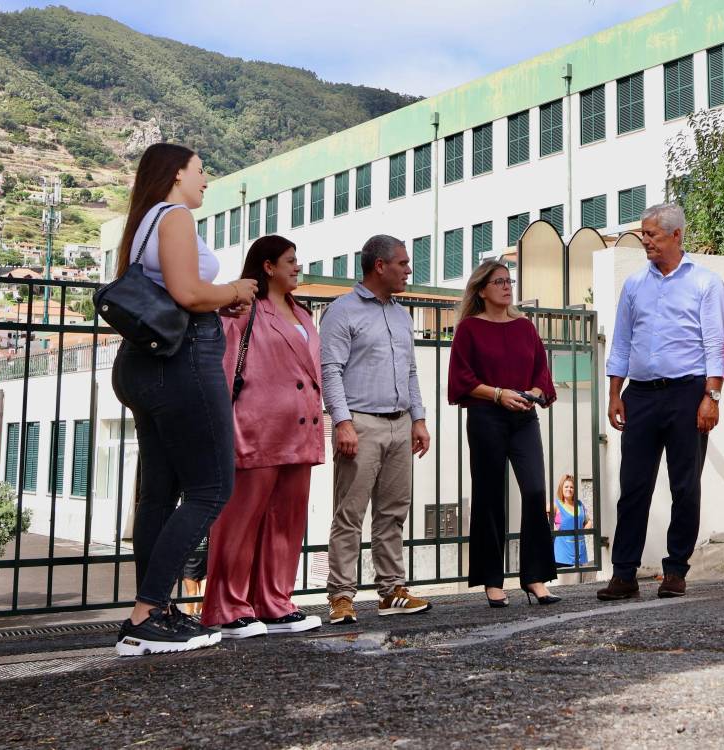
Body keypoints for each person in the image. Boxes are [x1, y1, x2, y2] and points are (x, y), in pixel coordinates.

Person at [109, 143, 258, 656]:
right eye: (200, 171)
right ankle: (146, 613)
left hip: (147, 364)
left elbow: (178, 297)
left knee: (158, 494)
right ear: (176, 174)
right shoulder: (173, 217)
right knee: (212, 487)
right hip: (182, 364)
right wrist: (235, 288)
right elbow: (190, 294)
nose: (205, 180)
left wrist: (218, 306)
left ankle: (155, 612)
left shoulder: (143, 223)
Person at [597, 203, 724, 601]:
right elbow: (621, 342)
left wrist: (712, 397)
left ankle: (675, 570)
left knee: (684, 485)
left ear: (676, 236)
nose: (645, 241)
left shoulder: (705, 283)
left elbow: (714, 345)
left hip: (689, 393)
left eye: (652, 234)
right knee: (633, 485)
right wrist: (614, 393)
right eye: (643, 234)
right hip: (641, 394)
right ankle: (624, 573)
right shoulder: (635, 285)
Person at [201, 235, 324, 638]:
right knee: (240, 519)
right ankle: (226, 606)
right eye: (290, 260)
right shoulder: (243, 309)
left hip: (301, 427)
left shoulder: (304, 314)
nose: (298, 266)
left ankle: (274, 601)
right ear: (268, 266)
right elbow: (222, 368)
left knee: (287, 521)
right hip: (256, 426)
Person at [320, 235, 433, 624]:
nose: (408, 269)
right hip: (361, 423)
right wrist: (343, 422)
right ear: (379, 266)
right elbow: (330, 370)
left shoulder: (402, 314)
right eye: (402, 263)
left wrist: (418, 418)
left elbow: (411, 370)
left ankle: (391, 591)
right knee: (349, 514)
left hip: (400, 422)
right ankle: (341, 596)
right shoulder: (341, 311)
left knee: (393, 513)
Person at [446, 262, 561, 607]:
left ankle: (535, 578)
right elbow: (461, 380)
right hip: (486, 418)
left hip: (524, 418)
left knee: (536, 490)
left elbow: (542, 372)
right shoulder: (469, 330)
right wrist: (499, 394)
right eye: (498, 281)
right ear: (482, 290)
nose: (507, 286)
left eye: (509, 280)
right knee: (489, 496)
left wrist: (535, 393)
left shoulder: (525, 327)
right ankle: (493, 581)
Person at [552, 474, 591, 568]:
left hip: (580, 554)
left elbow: (588, 521)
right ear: (561, 488)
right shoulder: (556, 505)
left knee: (579, 582)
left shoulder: (579, 504)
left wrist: (585, 529)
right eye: (566, 486)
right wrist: (553, 526)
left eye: (571, 487)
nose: (569, 489)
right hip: (562, 555)